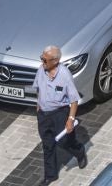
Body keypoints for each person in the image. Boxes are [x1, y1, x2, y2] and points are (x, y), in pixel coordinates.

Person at [33, 44, 86, 182]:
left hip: (59, 114)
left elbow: (74, 100)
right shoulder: (41, 70)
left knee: (64, 142)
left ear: (55, 61)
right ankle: (50, 176)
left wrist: (70, 119)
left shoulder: (64, 75)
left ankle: (79, 151)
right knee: (47, 144)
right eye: (41, 58)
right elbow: (38, 88)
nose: (42, 62)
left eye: (45, 60)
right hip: (43, 114)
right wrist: (38, 106)